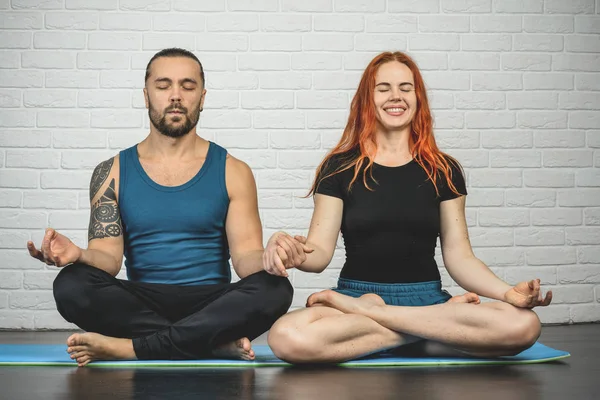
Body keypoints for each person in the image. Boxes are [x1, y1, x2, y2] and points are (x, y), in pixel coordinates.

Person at [264, 51, 553, 364]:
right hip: (357, 297)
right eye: (383, 87)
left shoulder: (444, 169)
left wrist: (507, 292)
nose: (395, 96)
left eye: (406, 87)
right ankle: (427, 334)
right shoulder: (338, 168)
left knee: (524, 326)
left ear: (418, 98)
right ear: (367, 98)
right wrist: (291, 251)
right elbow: (318, 254)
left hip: (422, 299)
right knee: (286, 337)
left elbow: (460, 257)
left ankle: (378, 320)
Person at [26, 48, 296, 367]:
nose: (176, 96)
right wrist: (79, 255)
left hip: (213, 304)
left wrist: (270, 257)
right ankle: (206, 344)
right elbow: (109, 259)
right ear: (146, 95)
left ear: (202, 96)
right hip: (140, 302)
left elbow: (245, 258)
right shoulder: (111, 171)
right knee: (71, 284)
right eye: (164, 85)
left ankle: (133, 347)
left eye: (188, 86)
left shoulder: (233, 170)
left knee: (275, 287)